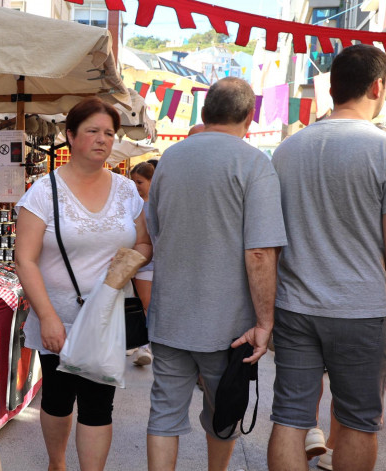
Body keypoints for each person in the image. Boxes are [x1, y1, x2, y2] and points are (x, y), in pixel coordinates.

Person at [266, 44, 386, 471]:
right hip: (361, 311)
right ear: (377, 86)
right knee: (359, 422)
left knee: (289, 419)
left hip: (295, 307)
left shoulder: (286, 151)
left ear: (332, 89)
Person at [144, 77, 286, 471]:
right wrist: (265, 321)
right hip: (228, 326)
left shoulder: (170, 158)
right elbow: (259, 252)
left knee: (164, 415)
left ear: (204, 113)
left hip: (170, 314)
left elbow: (154, 231)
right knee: (224, 413)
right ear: (249, 116)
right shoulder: (254, 162)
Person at [14, 96, 152, 471]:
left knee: (98, 403)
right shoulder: (44, 192)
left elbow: (144, 243)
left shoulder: (127, 192)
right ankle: (56, 463)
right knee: (58, 399)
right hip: (57, 313)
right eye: (92, 131)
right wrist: (46, 317)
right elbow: (24, 258)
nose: (102, 139)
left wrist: (128, 262)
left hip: (107, 317)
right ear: (70, 136)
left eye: (109, 132)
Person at [129, 160, 156, 367]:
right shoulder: (132, 205)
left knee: (153, 306)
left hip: (160, 263)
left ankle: (145, 344)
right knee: (146, 305)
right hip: (142, 264)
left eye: (140, 182)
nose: (136, 186)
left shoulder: (158, 204)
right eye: (134, 182)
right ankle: (142, 345)